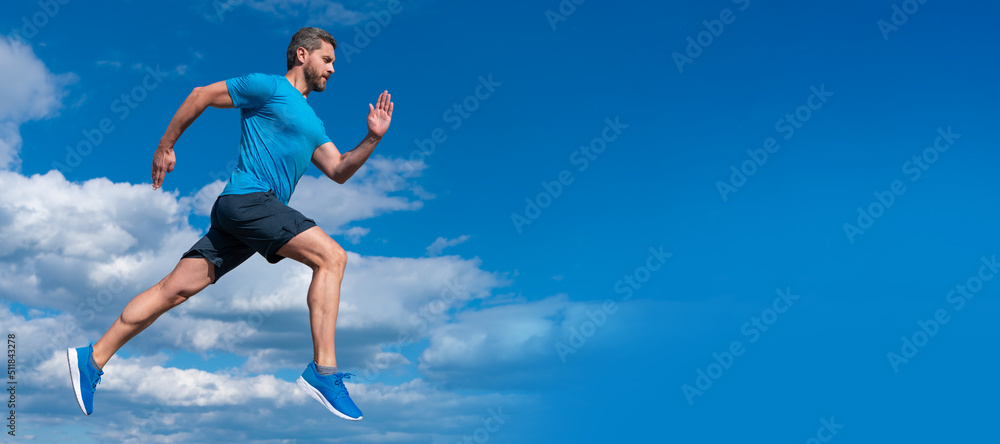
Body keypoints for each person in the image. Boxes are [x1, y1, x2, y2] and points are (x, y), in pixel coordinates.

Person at [66, 27, 392, 421]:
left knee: (174, 290)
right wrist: (166, 146)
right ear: (302, 56)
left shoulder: (313, 123)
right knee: (332, 258)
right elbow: (200, 95)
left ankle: (93, 357)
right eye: (328, 60)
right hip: (249, 200)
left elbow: (339, 169)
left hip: (243, 217)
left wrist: (372, 139)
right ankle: (324, 372)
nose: (333, 70)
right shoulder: (267, 87)